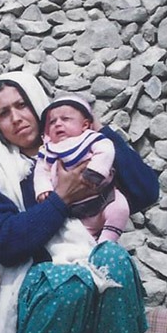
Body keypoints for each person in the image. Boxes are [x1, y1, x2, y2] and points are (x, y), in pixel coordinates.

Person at [0, 71, 161, 333]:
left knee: (115, 260)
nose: (16, 118)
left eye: (22, 105)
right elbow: (5, 244)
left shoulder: (88, 149)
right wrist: (61, 200)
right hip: (42, 296)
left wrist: (100, 134)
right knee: (71, 279)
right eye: (3, 113)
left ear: (39, 107)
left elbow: (145, 191)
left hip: (98, 294)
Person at [35, 95, 130, 243]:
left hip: (104, 197)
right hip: (75, 210)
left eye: (65, 119)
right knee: (74, 234)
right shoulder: (49, 150)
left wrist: (95, 171)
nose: (58, 124)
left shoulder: (90, 138)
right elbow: (41, 170)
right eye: (52, 122)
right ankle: (89, 248)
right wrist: (43, 188)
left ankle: (106, 243)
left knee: (120, 208)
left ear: (85, 125)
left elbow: (106, 150)